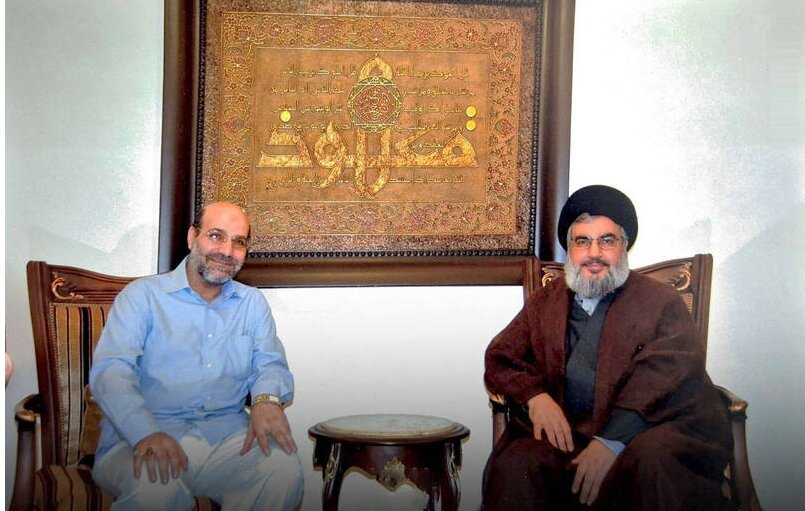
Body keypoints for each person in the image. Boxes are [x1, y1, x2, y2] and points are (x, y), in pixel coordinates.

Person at [483, 185, 733, 510]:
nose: (594, 253)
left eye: (606, 240)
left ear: (624, 246)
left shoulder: (660, 302)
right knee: (519, 463)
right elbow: (502, 356)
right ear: (570, 250)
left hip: (643, 434)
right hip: (568, 441)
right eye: (582, 241)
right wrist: (535, 397)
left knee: (655, 459)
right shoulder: (546, 301)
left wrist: (611, 441)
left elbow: (666, 378)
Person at [90, 201, 304, 511]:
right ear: (193, 237)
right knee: (157, 488)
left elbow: (270, 364)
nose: (227, 251)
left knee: (282, 469)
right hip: (138, 438)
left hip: (225, 441)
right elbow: (111, 373)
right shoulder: (143, 297)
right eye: (216, 236)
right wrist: (145, 433)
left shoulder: (251, 304)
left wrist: (266, 400)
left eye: (238, 242)